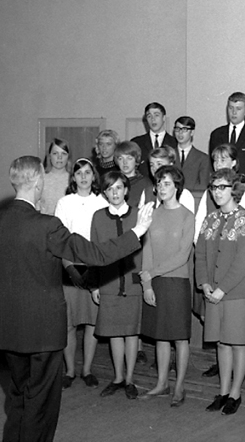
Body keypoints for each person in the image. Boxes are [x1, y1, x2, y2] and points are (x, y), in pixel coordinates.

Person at [0, 156, 153, 442]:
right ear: (38, 182)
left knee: (18, 398)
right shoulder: (47, 225)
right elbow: (95, 255)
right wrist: (137, 231)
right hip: (45, 330)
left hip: (11, 328)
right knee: (41, 406)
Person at [195, 168, 245, 415]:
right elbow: (200, 254)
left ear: (234, 189)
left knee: (237, 342)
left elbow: (244, 261)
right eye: (214, 187)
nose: (217, 192)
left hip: (236, 292)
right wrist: (205, 283)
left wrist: (222, 288)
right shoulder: (210, 219)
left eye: (222, 187)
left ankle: (236, 393)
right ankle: (222, 391)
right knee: (221, 342)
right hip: (213, 291)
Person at [139, 166, 195, 406]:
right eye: (159, 184)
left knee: (180, 337)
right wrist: (147, 284)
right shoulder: (151, 214)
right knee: (161, 336)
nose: (162, 188)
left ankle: (179, 386)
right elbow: (147, 250)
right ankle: (162, 383)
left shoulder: (186, 216)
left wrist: (151, 273)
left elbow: (183, 256)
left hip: (177, 282)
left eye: (167, 184)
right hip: (156, 282)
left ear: (177, 187)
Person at [54, 158, 108, 390]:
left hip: (94, 268)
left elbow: (103, 240)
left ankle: (86, 369)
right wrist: (69, 268)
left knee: (92, 322)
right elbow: (60, 239)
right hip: (70, 268)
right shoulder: (65, 202)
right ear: (73, 177)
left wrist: (95, 271)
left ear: (93, 176)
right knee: (69, 323)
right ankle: (70, 370)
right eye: (79, 173)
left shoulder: (102, 201)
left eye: (87, 172)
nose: (84, 177)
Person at [91, 171, 143, 400]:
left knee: (131, 332)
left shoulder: (138, 216)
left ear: (126, 190)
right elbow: (93, 252)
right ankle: (118, 377)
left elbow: (144, 252)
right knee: (114, 333)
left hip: (132, 283)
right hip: (109, 283)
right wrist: (94, 285)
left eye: (119, 188)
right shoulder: (98, 217)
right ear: (104, 193)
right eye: (110, 189)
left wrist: (144, 282)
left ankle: (130, 378)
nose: (115, 193)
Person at [208, 92, 245, 183]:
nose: (234, 112)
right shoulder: (216, 134)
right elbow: (212, 165)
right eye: (231, 108)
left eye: (238, 109)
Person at [131, 102, 177, 179]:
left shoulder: (175, 143)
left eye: (156, 115)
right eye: (149, 116)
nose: (153, 119)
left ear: (164, 118)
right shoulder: (136, 143)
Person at [174, 116, 210, 191]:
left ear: (192, 132)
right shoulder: (168, 155)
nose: (180, 133)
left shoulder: (203, 158)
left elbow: (203, 185)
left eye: (184, 129)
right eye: (177, 129)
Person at [114, 141, 153, 209]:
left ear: (136, 160)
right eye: (120, 158)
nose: (125, 162)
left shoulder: (145, 183)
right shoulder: (111, 181)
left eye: (129, 158)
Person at [40, 137, 70, 215]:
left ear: (68, 157)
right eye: (55, 153)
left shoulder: (73, 180)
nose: (59, 157)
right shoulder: (41, 179)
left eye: (63, 153)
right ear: (49, 156)